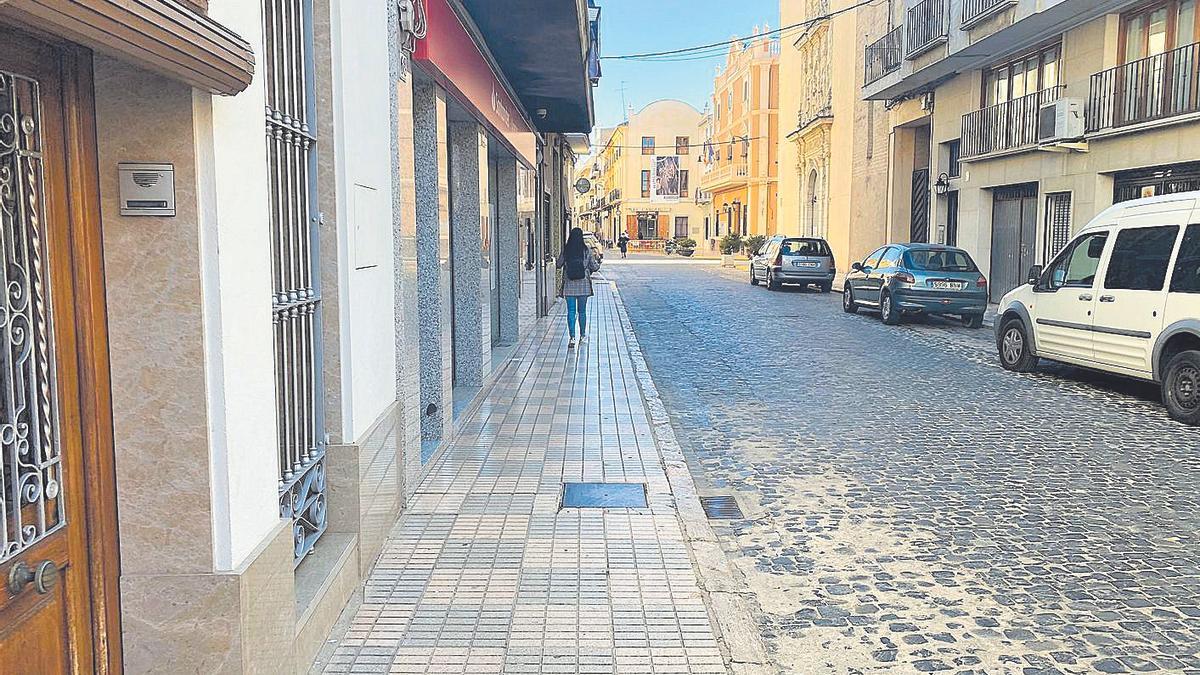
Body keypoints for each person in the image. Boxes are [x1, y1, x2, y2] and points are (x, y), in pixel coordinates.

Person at [557, 227, 602, 348]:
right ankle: (582, 335)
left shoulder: (566, 250)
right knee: (582, 311)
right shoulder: (586, 250)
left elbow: (558, 264)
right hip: (583, 285)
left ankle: (572, 337)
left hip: (569, 285)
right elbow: (594, 267)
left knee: (571, 311)